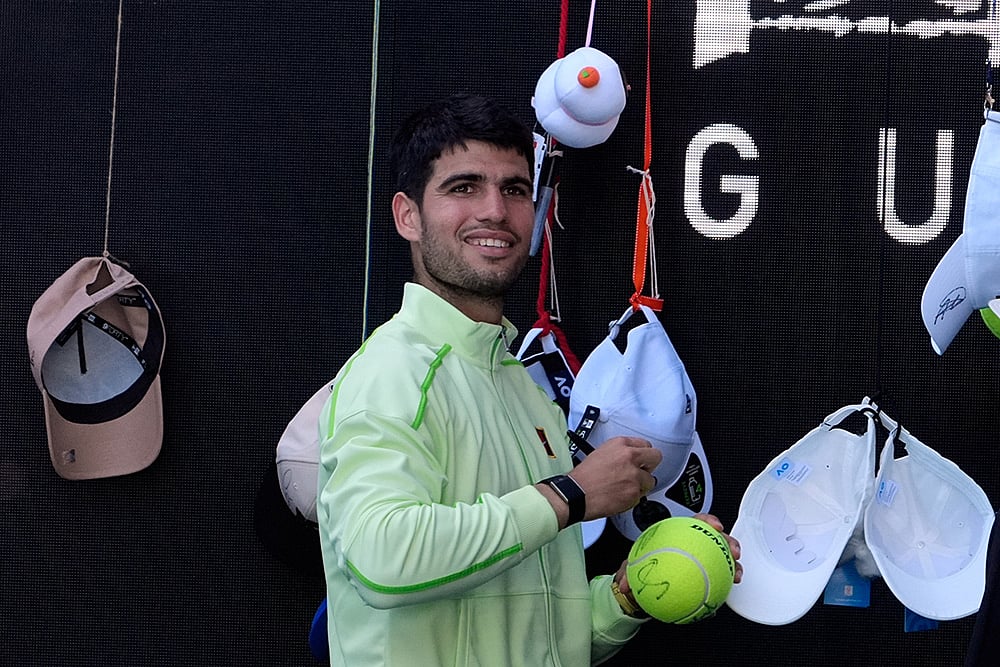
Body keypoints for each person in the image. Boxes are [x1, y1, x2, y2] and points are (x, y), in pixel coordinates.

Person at [316, 92, 742, 666]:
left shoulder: (524, 390)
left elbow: (546, 632)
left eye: (515, 189)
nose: (494, 210)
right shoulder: (393, 372)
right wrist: (571, 495)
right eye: (463, 187)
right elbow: (382, 563)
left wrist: (629, 594)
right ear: (407, 216)